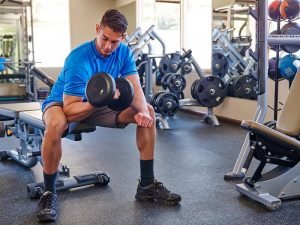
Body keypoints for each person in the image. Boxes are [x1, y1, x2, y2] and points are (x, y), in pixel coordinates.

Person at [36, 9, 181, 222]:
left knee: (148, 110)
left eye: (114, 42)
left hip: (100, 102)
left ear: (122, 38)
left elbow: (135, 88)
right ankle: (49, 193)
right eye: (104, 38)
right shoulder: (79, 58)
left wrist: (141, 113)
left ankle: (147, 185)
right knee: (56, 124)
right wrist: (100, 100)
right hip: (64, 103)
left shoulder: (123, 52)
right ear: (97, 29)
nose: (107, 47)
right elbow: (70, 109)